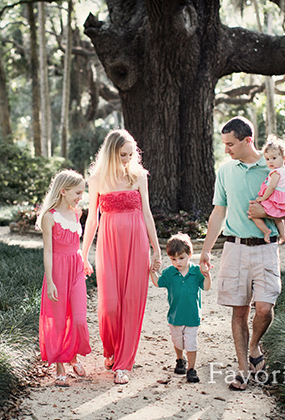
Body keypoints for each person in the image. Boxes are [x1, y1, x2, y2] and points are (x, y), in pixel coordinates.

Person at [199, 116, 285, 391]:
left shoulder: (273, 166)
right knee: (239, 311)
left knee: (265, 307)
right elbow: (218, 212)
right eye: (224, 144)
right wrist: (205, 251)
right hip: (234, 247)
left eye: (230, 144)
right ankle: (242, 369)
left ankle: (254, 346)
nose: (226, 149)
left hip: (266, 247)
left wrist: (267, 212)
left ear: (247, 141)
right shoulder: (225, 172)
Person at [81, 129, 162, 385]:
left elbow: (147, 214)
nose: (127, 159)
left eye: (130, 154)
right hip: (109, 243)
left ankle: (124, 364)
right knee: (110, 305)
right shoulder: (96, 180)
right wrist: (83, 255)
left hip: (136, 243)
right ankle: (111, 350)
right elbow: (92, 219)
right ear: (111, 153)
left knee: (131, 301)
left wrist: (156, 248)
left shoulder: (139, 177)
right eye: (122, 155)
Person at [36, 169, 91, 387]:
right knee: (58, 319)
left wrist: (85, 262)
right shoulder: (49, 217)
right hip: (58, 270)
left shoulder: (76, 213)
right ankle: (60, 366)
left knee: (78, 317)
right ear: (63, 191)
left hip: (76, 268)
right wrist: (50, 281)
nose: (80, 197)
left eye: (82, 192)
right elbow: (47, 251)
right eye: (77, 192)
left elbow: (77, 244)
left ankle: (73, 355)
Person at [149, 233, 211, 383]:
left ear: (189, 254)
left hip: (192, 316)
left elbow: (206, 288)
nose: (177, 262)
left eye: (181, 258)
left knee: (191, 343)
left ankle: (191, 368)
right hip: (175, 316)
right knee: (177, 342)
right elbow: (158, 283)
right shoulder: (170, 273)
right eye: (173, 259)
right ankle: (179, 360)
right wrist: (152, 271)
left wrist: (207, 275)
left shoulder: (196, 271)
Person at [252, 135, 285, 244]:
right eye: (267, 159)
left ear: (284, 157)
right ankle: (283, 234)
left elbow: (272, 187)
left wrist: (263, 198)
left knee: (253, 213)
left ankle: (266, 231)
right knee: (278, 218)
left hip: (274, 197)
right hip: (284, 198)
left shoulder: (276, 172)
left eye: (274, 158)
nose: (270, 162)